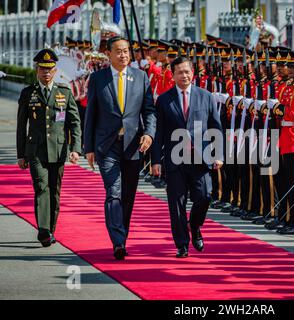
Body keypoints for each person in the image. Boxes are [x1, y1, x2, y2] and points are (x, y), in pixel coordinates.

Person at [84, 36, 156, 260]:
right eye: (119, 51)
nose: (123, 55)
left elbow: (149, 111)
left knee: (128, 195)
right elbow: (91, 114)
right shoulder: (98, 78)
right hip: (107, 146)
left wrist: (149, 134)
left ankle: (121, 235)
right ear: (109, 54)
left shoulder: (141, 77)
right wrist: (88, 147)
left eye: (126, 51)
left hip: (133, 145)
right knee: (113, 193)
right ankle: (117, 241)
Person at [151, 56, 223, 258]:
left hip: (201, 158)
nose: (184, 75)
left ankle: (195, 225)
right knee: (176, 203)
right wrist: (156, 160)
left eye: (187, 71)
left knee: (204, 196)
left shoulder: (206, 96)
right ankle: (182, 243)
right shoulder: (165, 100)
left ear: (193, 73)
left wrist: (218, 154)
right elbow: (159, 133)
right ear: (172, 75)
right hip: (175, 159)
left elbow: (215, 127)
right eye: (179, 72)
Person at [16, 48, 82, 247]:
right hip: (35, 150)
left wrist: (75, 148)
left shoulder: (64, 92)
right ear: (37, 69)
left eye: (50, 69)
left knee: (54, 191)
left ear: (55, 70)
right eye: (42, 69)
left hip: (58, 150)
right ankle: (43, 230)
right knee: (41, 187)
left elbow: (74, 123)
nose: (46, 72)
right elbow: (21, 126)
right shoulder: (29, 93)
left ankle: (50, 229)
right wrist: (21, 154)